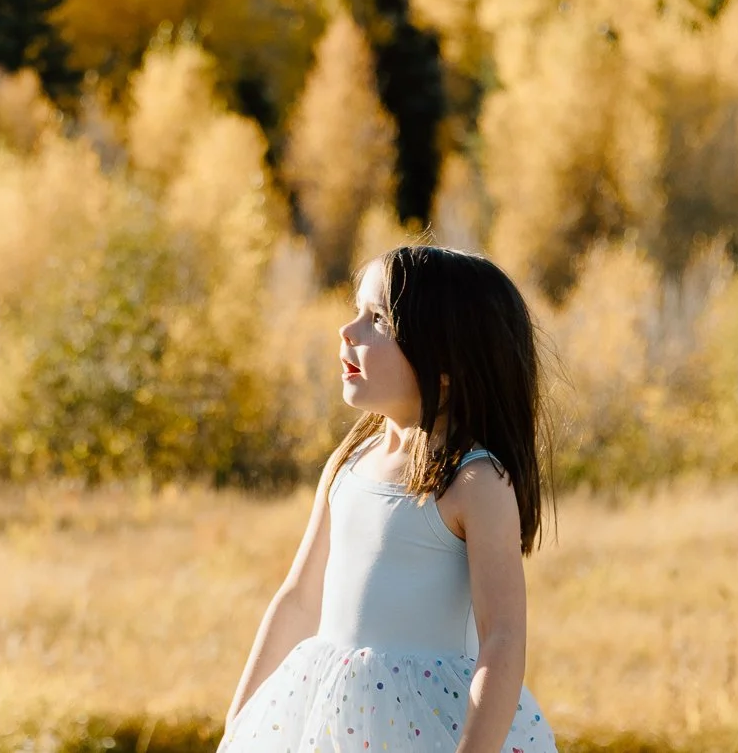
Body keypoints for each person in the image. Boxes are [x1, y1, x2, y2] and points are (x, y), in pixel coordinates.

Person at [219, 246, 560, 753]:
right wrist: (238, 725)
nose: (348, 330)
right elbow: (299, 599)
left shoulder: (473, 482)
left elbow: (503, 639)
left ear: (445, 363)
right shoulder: (350, 461)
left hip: (431, 730)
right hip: (328, 722)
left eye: (378, 319)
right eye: (356, 311)